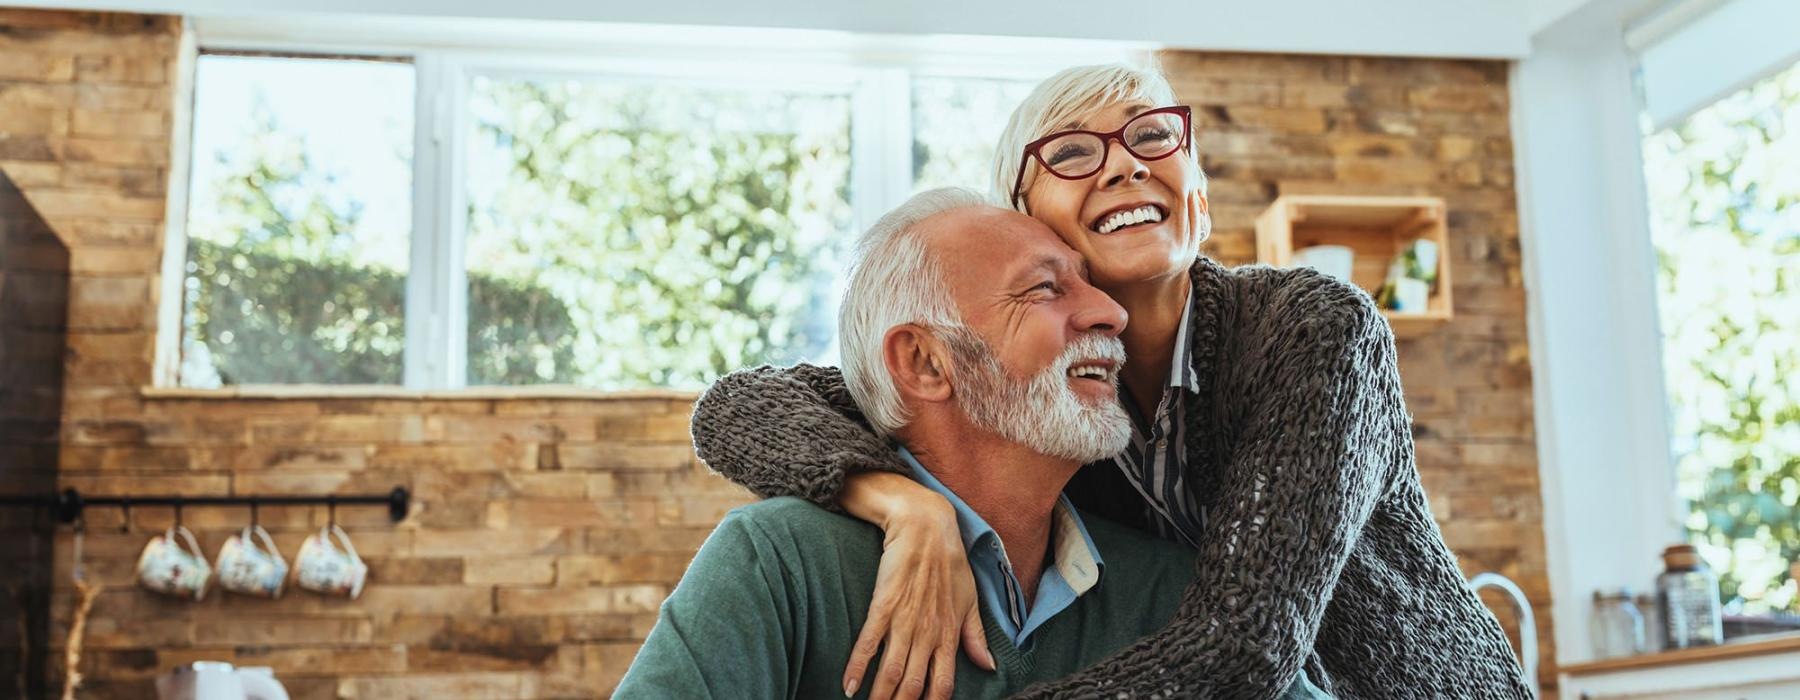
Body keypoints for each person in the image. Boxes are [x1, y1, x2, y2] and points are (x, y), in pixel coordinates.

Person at [691, 64, 1534, 699]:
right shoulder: (1035, 392)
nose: (1125, 165)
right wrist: (898, 500)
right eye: (1071, 152)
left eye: (1152, 136)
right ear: (1021, 219)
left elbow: (1245, 648)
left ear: (1197, 196)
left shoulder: (1314, 330)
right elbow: (743, 406)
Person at [615, 189, 1330, 699]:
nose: (1110, 311)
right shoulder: (780, 565)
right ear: (926, 363)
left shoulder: (1172, 591)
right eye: (1046, 289)